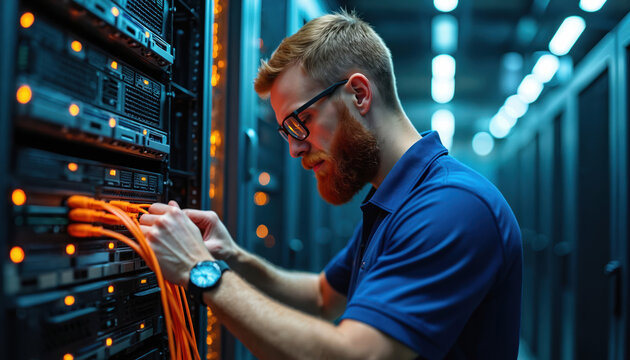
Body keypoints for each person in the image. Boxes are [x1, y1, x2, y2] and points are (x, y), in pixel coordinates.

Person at [139, 10, 522, 360]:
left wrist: (200, 270)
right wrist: (233, 257)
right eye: (285, 131)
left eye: (298, 122)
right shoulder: (393, 199)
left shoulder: (452, 207)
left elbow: (359, 355)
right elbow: (323, 297)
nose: (293, 148)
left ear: (359, 94)